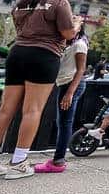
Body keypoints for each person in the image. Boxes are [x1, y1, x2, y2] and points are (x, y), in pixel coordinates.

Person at [0, 0, 81, 180]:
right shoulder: (60, 3)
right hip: (44, 55)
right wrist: (77, 24)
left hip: (17, 53)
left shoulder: (22, 3)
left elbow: (19, 29)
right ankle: (19, 162)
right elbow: (68, 34)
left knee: (5, 110)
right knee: (32, 110)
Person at [34, 25, 89, 173]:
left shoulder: (79, 44)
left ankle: (58, 161)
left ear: (79, 29)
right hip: (65, 84)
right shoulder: (70, 44)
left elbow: (81, 70)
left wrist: (70, 93)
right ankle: (58, 159)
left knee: (65, 123)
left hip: (72, 85)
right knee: (62, 122)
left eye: (73, 27)